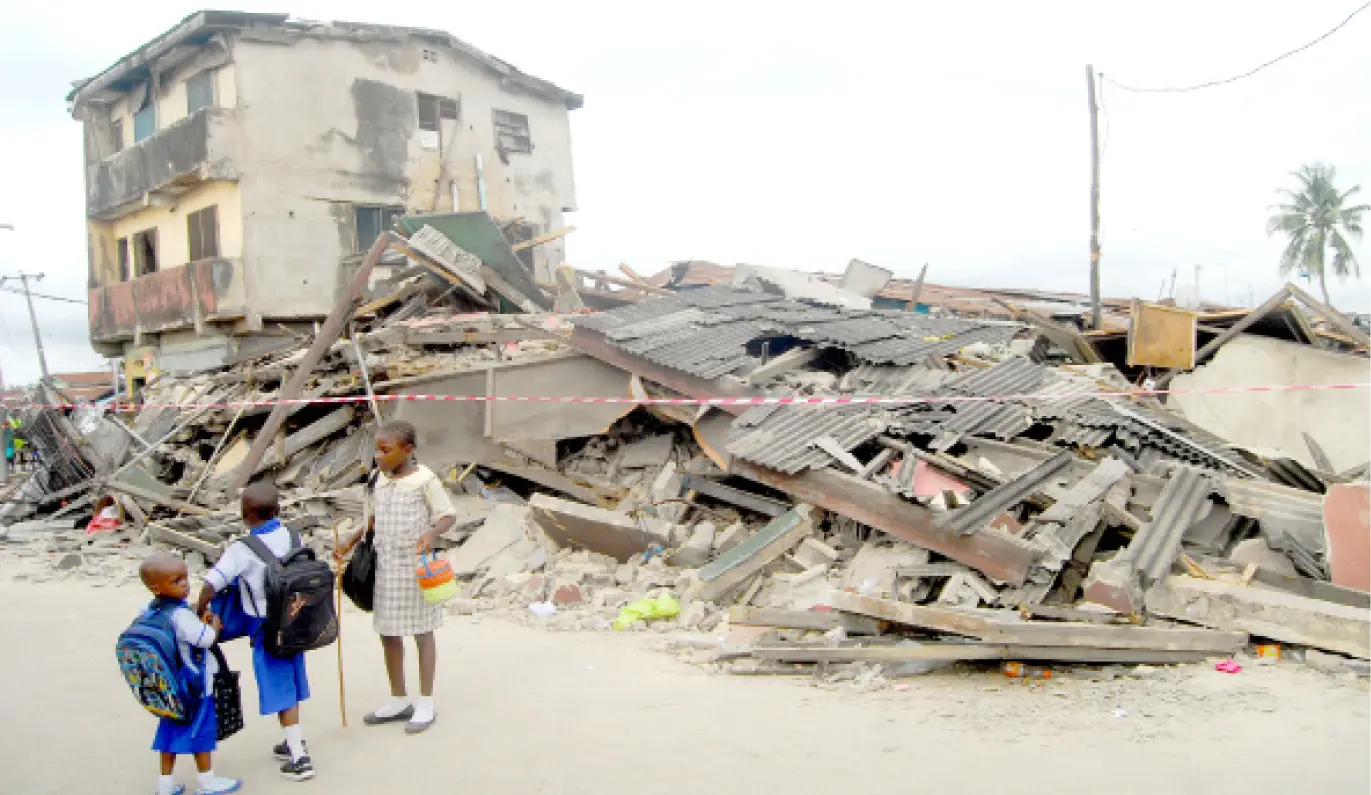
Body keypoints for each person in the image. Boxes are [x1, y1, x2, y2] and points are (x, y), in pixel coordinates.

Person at [336, 420, 456, 734]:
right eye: (377, 449)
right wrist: (352, 539)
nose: (378, 455)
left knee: (422, 631)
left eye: (386, 450)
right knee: (388, 632)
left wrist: (431, 533)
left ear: (408, 450)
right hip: (385, 565)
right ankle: (398, 698)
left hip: (413, 565)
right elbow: (375, 518)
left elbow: (447, 514)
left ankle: (426, 702)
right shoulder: (379, 479)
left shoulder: (425, 480)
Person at [195, 481, 315, 781]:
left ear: (245, 515)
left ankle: (300, 759)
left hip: (265, 627)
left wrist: (199, 609)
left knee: (279, 687)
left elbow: (212, 584)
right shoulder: (292, 534)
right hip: (295, 620)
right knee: (290, 680)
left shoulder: (241, 549)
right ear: (277, 509)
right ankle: (291, 741)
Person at [138, 554, 243, 795]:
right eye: (176, 581)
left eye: (185, 578)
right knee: (202, 735)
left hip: (168, 687)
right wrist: (214, 623)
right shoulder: (181, 615)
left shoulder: (149, 610)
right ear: (156, 586)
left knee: (168, 734)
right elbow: (206, 639)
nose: (185, 584)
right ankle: (207, 782)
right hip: (195, 685)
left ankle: (165, 784)